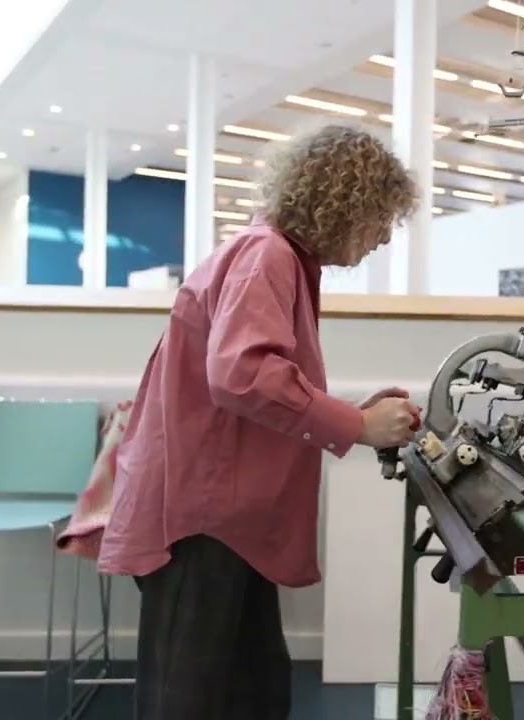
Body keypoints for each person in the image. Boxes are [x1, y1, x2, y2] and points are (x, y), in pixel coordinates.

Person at [97, 122, 421, 719]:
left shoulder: (279, 259)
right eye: (381, 220)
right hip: (201, 516)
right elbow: (243, 374)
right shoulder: (266, 254)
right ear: (345, 205)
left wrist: (358, 414)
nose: (381, 239)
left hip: (224, 515)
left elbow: (263, 379)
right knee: (190, 697)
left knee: (255, 690)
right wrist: (356, 425)